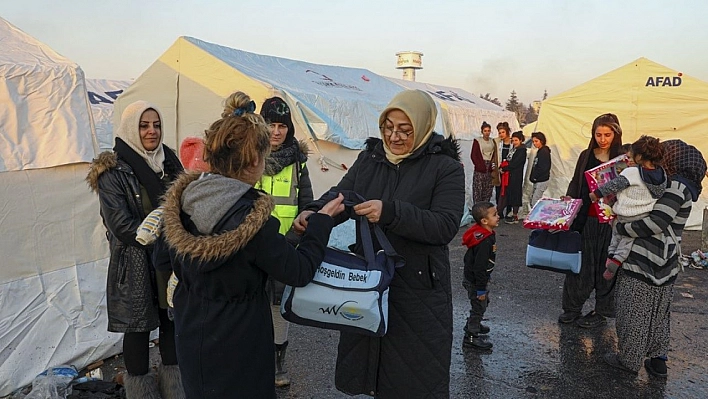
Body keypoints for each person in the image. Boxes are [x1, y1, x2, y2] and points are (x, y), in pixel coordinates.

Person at [159, 91, 345, 398]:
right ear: (256, 160)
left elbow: (161, 261)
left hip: (192, 334)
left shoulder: (184, 201)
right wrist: (321, 222)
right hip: (240, 341)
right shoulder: (252, 221)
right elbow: (298, 271)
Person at [292, 89, 465, 398]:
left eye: (405, 130)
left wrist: (392, 212)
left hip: (419, 289)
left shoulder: (445, 167)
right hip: (370, 280)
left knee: (412, 380)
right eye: (388, 127)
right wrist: (316, 213)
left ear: (424, 127)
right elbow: (342, 196)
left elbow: (444, 225)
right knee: (373, 368)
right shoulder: (371, 158)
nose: (394, 136)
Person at [86, 101, 185, 398]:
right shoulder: (112, 171)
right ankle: (140, 392)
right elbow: (120, 224)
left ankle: (176, 389)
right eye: (144, 125)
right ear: (131, 127)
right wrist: (161, 231)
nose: (152, 131)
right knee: (138, 329)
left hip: (168, 259)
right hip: (134, 262)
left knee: (172, 322)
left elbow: (184, 205)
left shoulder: (170, 162)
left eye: (156, 124)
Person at [603, 139, 706, 376]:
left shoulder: (675, 188)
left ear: (673, 161)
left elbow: (656, 223)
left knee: (634, 310)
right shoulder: (678, 186)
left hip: (644, 259)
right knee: (659, 313)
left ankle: (628, 360)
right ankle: (658, 360)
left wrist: (620, 228)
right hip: (666, 262)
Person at [255, 96, 313, 387]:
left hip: (285, 246)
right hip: (251, 247)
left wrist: (297, 234)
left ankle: (278, 365)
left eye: (282, 126)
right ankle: (254, 360)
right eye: (271, 125)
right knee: (252, 305)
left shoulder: (299, 164)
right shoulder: (248, 157)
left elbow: (308, 205)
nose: (277, 132)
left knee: (279, 307)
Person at [559, 113, 624, 328]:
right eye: (598, 134)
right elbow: (577, 181)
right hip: (587, 219)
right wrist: (570, 198)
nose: (603, 139)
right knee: (581, 266)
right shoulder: (586, 156)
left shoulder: (624, 159)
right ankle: (572, 308)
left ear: (616, 134)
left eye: (607, 134)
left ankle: (601, 311)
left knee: (607, 267)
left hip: (613, 223)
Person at [589, 135, 667, 280]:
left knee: (616, 234)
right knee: (627, 240)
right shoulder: (661, 174)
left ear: (639, 156)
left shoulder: (632, 172)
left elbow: (613, 185)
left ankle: (612, 256)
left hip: (625, 213)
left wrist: (596, 194)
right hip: (643, 215)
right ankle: (616, 260)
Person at [461, 201, 500, 350]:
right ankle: (471, 336)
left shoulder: (486, 233)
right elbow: (479, 268)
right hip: (476, 280)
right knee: (479, 305)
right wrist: (481, 290)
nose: (498, 216)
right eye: (494, 215)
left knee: (482, 304)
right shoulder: (483, 241)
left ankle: (474, 323)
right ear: (484, 221)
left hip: (477, 278)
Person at [499, 131, 527, 224]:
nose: (514, 142)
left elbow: (515, 164)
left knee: (515, 194)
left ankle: (515, 215)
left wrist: (505, 168)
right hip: (509, 175)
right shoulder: (514, 149)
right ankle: (507, 213)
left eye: (516, 140)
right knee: (508, 193)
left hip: (515, 175)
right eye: (513, 140)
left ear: (521, 140)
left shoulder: (521, 151)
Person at [470, 121, 500, 203]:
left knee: (488, 188)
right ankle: (477, 206)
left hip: (489, 165)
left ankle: (485, 206)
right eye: (485, 131)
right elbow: (473, 155)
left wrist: (492, 165)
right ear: (482, 131)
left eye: (488, 131)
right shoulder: (477, 141)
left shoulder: (492, 141)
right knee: (478, 188)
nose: (487, 133)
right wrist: (479, 165)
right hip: (480, 165)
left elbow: (494, 154)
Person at [529, 131, 552, 208]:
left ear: (541, 141)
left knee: (535, 201)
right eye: (533, 142)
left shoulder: (544, 152)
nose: (535, 143)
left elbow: (543, 167)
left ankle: (536, 218)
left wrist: (535, 176)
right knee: (533, 199)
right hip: (538, 180)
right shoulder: (540, 151)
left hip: (541, 180)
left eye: (536, 141)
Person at [494, 122, 513, 217]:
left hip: (509, 170)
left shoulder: (513, 143)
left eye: (503, 132)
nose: (501, 134)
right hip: (500, 169)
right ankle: (499, 210)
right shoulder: (498, 143)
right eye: (499, 132)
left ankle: (509, 210)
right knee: (499, 189)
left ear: (507, 132)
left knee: (508, 189)